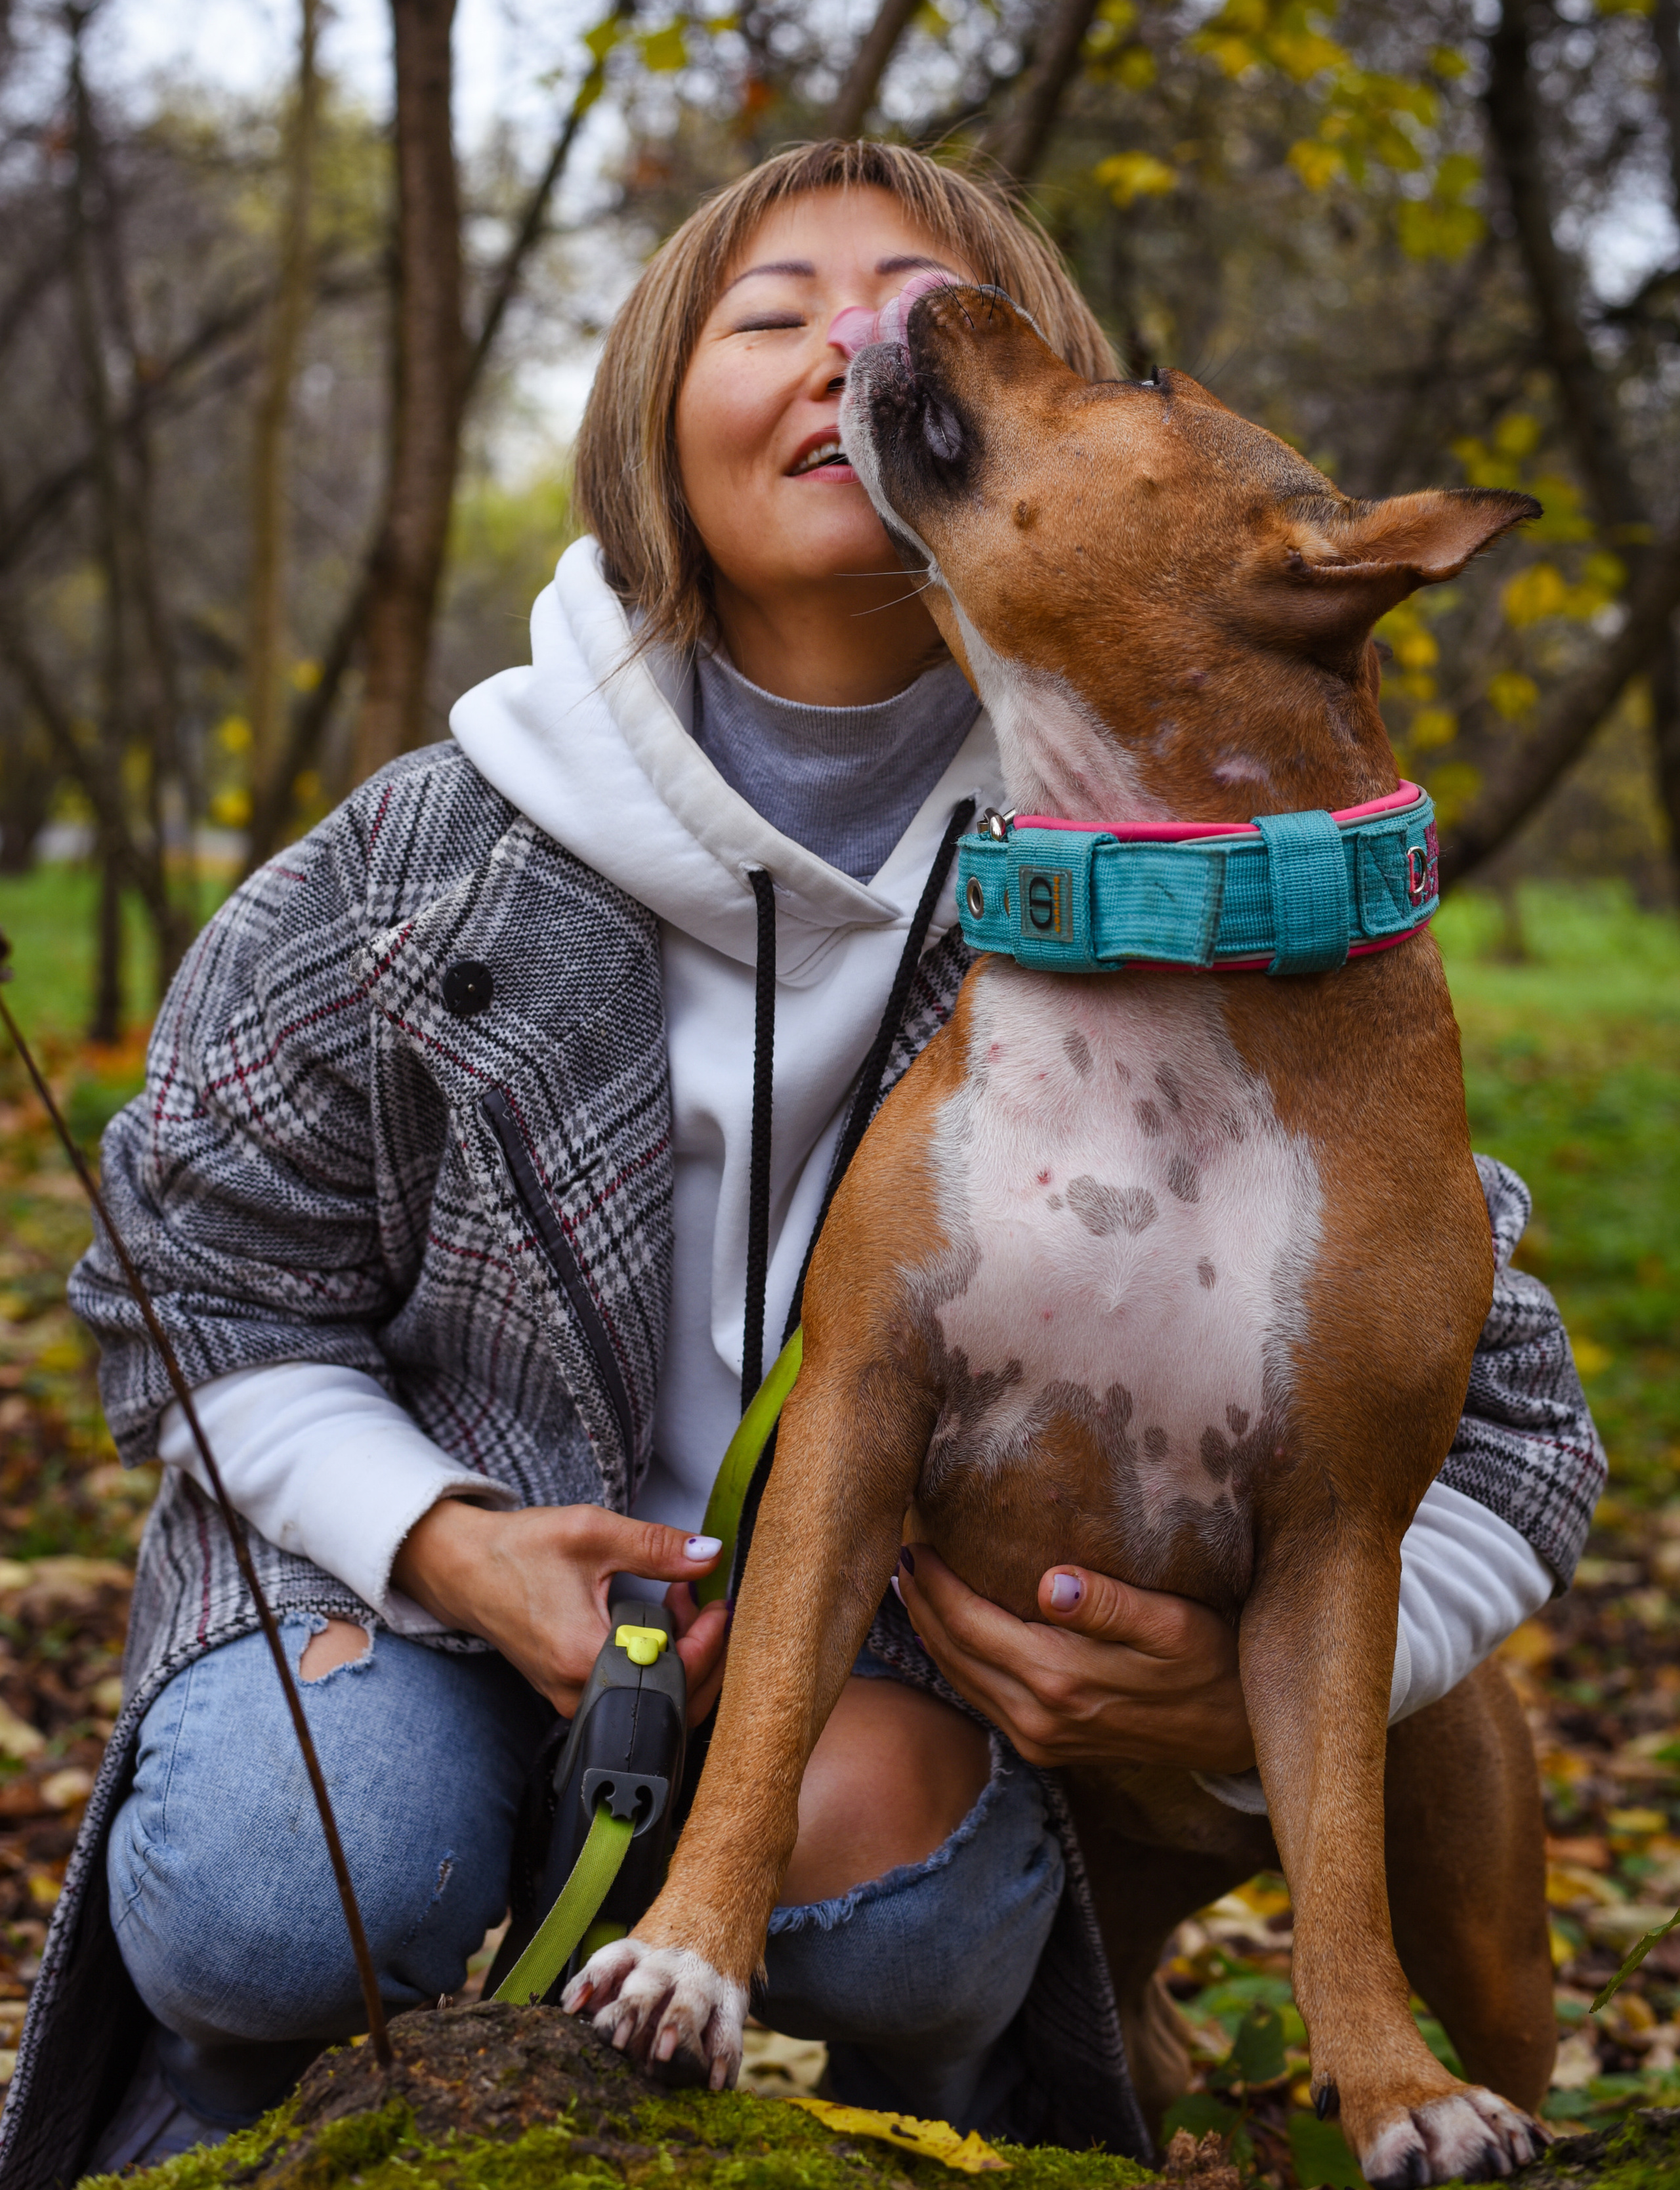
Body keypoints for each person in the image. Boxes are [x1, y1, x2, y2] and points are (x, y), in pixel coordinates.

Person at [1, 141, 1604, 2190]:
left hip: (887, 1666)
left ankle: (937, 2105)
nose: (851, 338)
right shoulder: (419, 857)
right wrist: (439, 1533)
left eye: (913, 302)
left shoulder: (1172, 891)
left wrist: (1225, 1693)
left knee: (919, 1927)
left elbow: (1507, 1418)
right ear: (650, 424)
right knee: (280, 1886)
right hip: (424, 1599)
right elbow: (181, 1281)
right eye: (774, 316)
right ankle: (227, 2129)